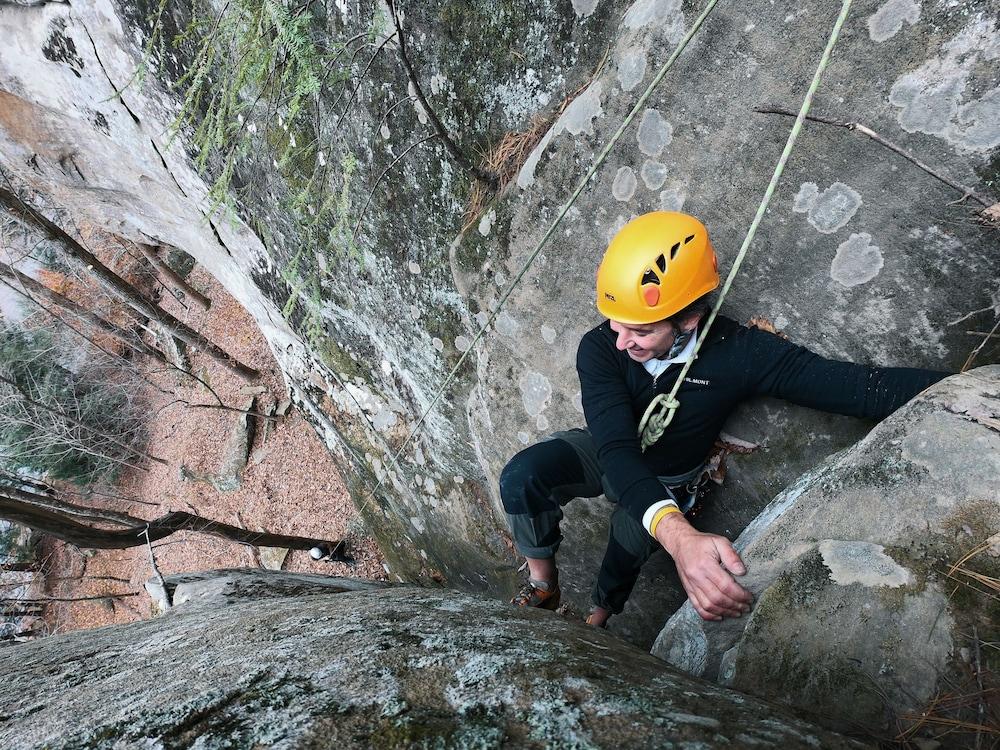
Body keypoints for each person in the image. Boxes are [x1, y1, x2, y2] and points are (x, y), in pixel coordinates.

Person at [500, 211, 948, 627]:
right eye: (615, 323)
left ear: (689, 320)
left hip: (670, 472)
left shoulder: (739, 353)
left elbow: (858, 389)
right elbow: (615, 448)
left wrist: (969, 386)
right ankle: (543, 584)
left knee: (628, 544)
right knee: (523, 475)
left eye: (639, 330)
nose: (620, 342)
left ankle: (597, 619)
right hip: (608, 449)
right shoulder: (600, 347)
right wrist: (680, 537)